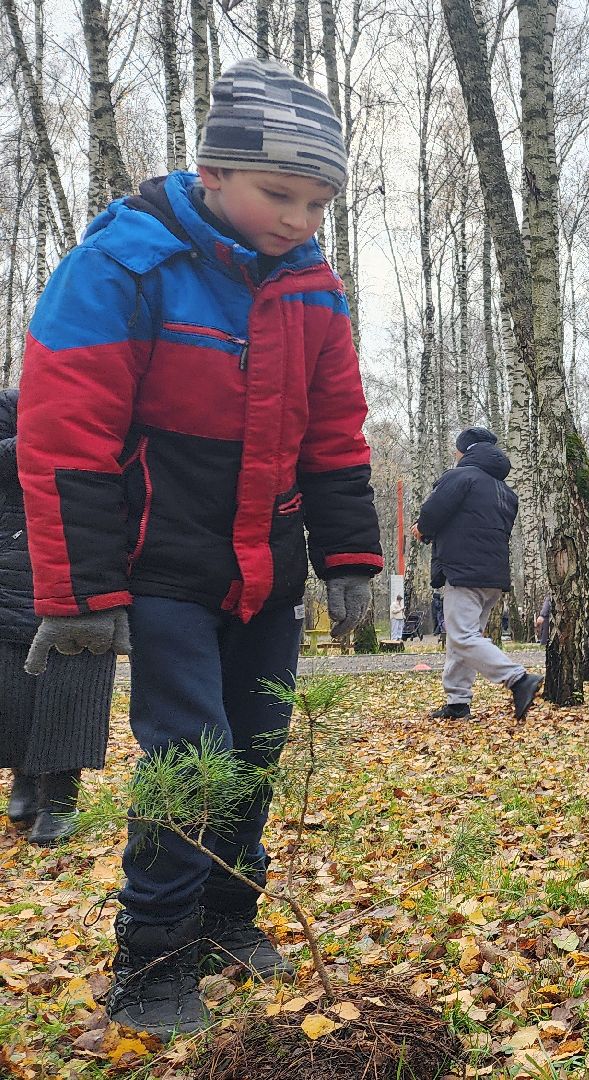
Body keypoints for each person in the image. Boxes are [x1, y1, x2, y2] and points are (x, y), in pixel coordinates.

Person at [16, 60, 382, 1036]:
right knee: (192, 753)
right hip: (162, 566)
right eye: (280, 194)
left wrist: (350, 557)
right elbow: (67, 438)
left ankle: (228, 915)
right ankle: (152, 956)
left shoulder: (313, 289)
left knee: (256, 751)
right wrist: (78, 597)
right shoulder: (124, 264)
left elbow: (336, 430)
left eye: (317, 202)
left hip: (267, 569)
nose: (301, 218)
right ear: (213, 173)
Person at [1, 389, 112, 848]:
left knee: (75, 680)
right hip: (13, 560)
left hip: (90, 556)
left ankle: (62, 798)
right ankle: (25, 775)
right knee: (14, 681)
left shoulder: (108, 403)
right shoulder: (11, 403)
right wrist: (46, 432)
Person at [414, 427, 541, 721]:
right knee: (467, 635)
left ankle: (519, 680)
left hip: (463, 570)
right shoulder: (505, 491)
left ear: (465, 450)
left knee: (460, 638)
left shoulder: (460, 477)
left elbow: (433, 512)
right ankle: (458, 702)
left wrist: (423, 530)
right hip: (493, 576)